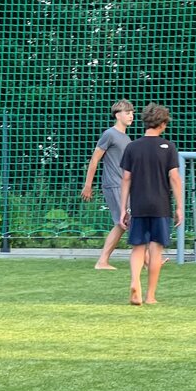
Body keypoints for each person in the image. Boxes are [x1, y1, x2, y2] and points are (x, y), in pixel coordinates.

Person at [119, 103, 183, 306]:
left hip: (139, 205)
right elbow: (174, 177)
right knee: (156, 250)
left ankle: (134, 281)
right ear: (163, 124)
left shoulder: (132, 147)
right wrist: (180, 206)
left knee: (138, 247)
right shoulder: (168, 147)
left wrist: (123, 208)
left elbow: (126, 178)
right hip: (160, 206)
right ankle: (150, 296)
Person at [80, 100, 134, 269]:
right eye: (127, 113)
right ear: (118, 115)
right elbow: (94, 159)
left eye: (132, 113)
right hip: (113, 184)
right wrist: (88, 185)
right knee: (126, 221)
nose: (131, 116)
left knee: (123, 223)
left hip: (124, 186)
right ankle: (147, 260)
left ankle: (104, 261)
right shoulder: (109, 134)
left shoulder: (126, 138)